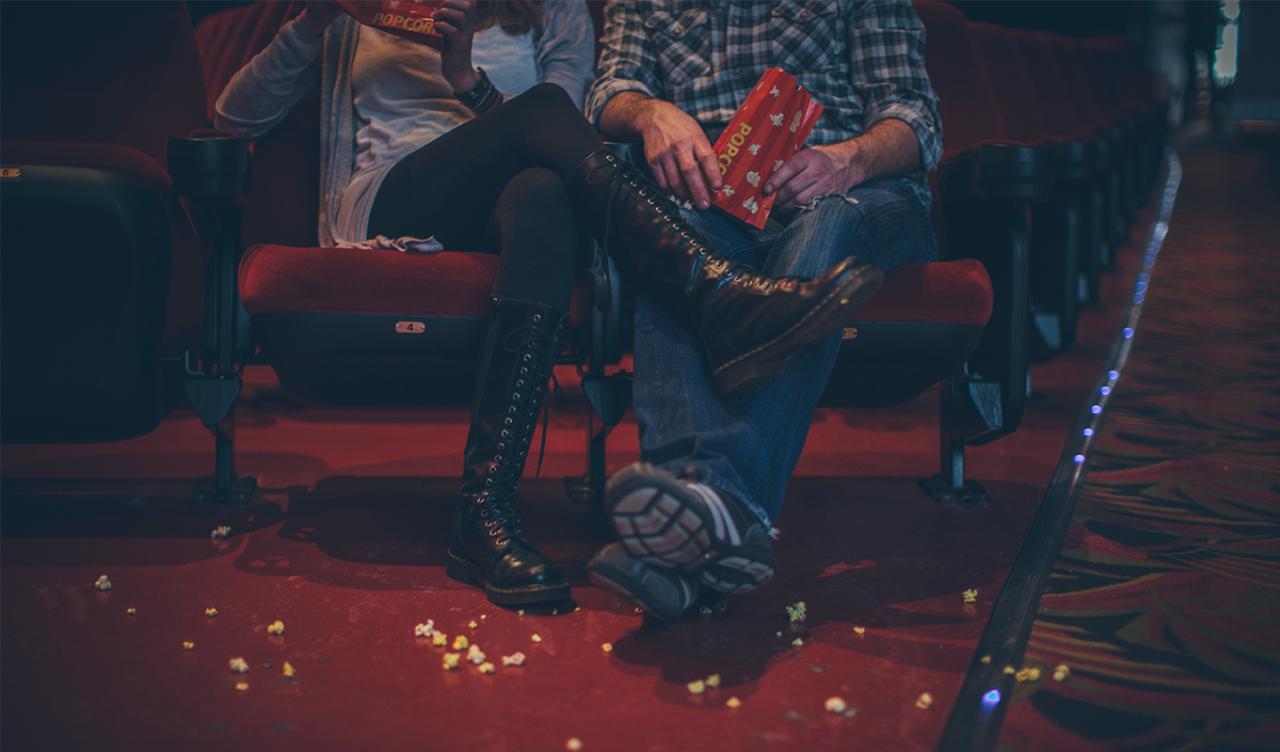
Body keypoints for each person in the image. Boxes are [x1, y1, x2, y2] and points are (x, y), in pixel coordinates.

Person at [215, 0, 882, 607]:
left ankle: (485, 511)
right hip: (394, 196)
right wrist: (312, 22)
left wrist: (464, 76)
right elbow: (234, 116)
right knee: (535, 115)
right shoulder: (352, 16)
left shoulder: (550, 10)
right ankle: (710, 289)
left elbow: (565, 135)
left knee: (541, 190)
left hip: (506, 197)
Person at [584, 0, 944, 621]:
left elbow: (915, 116)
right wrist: (651, 113)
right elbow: (610, 90)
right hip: (711, 197)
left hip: (856, 189)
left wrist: (849, 158)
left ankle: (716, 499)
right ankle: (698, 538)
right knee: (669, 252)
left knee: (824, 224)